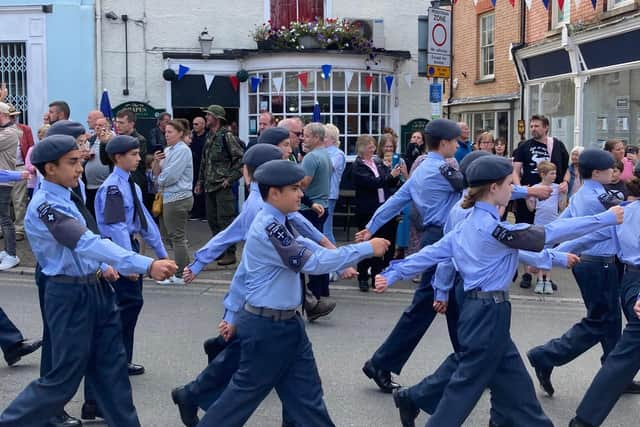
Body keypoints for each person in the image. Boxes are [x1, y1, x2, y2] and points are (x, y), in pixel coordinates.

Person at [376, 154, 620, 427]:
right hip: (488, 312)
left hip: (483, 310)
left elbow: (430, 255)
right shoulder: (496, 230)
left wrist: (392, 272)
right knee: (465, 388)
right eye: (508, 184)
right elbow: (550, 231)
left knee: (516, 386)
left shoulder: (469, 225)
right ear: (494, 188)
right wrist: (605, 219)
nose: (512, 189)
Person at [195, 159, 390, 427]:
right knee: (239, 400)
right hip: (268, 327)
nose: (301, 194)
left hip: (287, 323)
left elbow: (313, 250)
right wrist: (366, 250)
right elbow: (310, 262)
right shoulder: (270, 227)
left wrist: (344, 257)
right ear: (274, 193)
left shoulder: (281, 221)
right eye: (295, 189)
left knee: (307, 397)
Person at [0, 134, 177, 427]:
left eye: (80, 161)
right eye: (72, 162)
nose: (80, 168)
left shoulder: (68, 194)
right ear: (49, 168)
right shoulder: (46, 206)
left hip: (95, 289)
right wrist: (146, 264)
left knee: (113, 371)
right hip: (68, 295)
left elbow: (92, 244)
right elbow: (86, 243)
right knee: (61, 381)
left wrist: (107, 266)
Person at [173, 145, 347, 427]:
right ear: (273, 184)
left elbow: (301, 228)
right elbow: (244, 268)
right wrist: (230, 310)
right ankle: (191, 395)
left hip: (282, 317)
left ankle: (191, 394)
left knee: (300, 394)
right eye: (282, 159)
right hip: (265, 315)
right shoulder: (261, 211)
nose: (300, 192)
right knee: (243, 388)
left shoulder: (281, 209)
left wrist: (331, 250)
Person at [355, 119, 464, 393]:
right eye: (455, 140)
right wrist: (526, 190)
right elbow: (473, 192)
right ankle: (381, 362)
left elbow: (395, 201)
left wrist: (371, 226)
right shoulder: (443, 168)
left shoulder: (422, 169)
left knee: (452, 303)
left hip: (436, 236)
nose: (458, 144)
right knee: (427, 305)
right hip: (442, 237)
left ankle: (471, 362)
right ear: (444, 143)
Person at [527, 148, 640, 397]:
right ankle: (545, 356)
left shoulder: (584, 194)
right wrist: (552, 257)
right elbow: (597, 233)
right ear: (597, 172)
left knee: (610, 322)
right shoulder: (598, 199)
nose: (615, 171)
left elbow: (561, 224)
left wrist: (543, 249)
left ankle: (617, 375)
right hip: (598, 262)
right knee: (600, 321)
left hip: (590, 263)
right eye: (611, 167)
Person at [564, 177, 640, 427]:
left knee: (624, 358)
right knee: (624, 357)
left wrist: (553, 254)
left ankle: (584, 421)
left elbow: (587, 238)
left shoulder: (624, 213)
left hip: (630, 281)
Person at [95, 135, 169, 373]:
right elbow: (116, 229)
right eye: (134, 154)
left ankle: (121, 358)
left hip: (129, 250)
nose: (139, 158)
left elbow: (145, 222)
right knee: (126, 306)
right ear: (118, 157)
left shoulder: (131, 185)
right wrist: (128, 266)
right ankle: (115, 359)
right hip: (118, 253)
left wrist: (162, 254)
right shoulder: (113, 189)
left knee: (129, 307)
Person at [512, 114, 570, 289]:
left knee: (547, 237)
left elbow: (567, 169)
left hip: (551, 195)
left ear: (546, 127)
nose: (533, 129)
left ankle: (545, 274)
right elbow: (515, 170)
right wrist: (522, 190)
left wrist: (565, 182)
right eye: (531, 126)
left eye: (537, 126)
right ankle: (527, 273)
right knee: (526, 233)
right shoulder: (524, 146)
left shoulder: (557, 145)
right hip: (529, 194)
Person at [195, 105, 244, 266]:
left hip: (222, 187)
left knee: (225, 221)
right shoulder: (210, 136)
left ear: (216, 118)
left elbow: (240, 160)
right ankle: (219, 251)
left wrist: (230, 179)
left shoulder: (227, 136)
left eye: (209, 115)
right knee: (213, 221)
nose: (206, 118)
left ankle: (230, 253)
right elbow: (205, 161)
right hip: (209, 186)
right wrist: (200, 182)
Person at [351, 135, 401, 292]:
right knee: (367, 243)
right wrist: (389, 177)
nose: (373, 149)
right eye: (370, 147)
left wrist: (394, 174)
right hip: (367, 209)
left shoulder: (376, 163)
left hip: (381, 208)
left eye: (373, 146)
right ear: (362, 148)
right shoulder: (358, 166)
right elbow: (372, 183)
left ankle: (376, 277)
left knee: (381, 242)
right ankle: (362, 276)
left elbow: (388, 183)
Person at [152, 120, 194, 285]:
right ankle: (183, 266)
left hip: (178, 197)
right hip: (167, 197)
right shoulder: (168, 150)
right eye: (166, 132)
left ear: (180, 134)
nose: (166, 135)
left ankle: (181, 273)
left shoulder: (183, 150)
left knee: (177, 236)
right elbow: (157, 172)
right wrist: (156, 161)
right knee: (167, 234)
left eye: (170, 132)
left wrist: (158, 179)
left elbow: (170, 176)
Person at [300, 122, 332, 299]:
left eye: (306, 135)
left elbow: (304, 184)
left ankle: (316, 290)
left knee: (312, 250)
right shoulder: (325, 155)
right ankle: (323, 288)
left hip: (310, 208)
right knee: (320, 247)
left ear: (317, 138)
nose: (303, 138)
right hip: (323, 205)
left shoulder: (311, 157)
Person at [526, 161, 565, 294]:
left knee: (549, 253)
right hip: (539, 224)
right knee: (540, 253)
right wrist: (527, 196)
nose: (555, 175)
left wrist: (563, 194)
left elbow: (562, 207)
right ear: (543, 174)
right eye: (552, 173)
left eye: (555, 173)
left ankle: (547, 280)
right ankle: (540, 280)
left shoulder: (557, 188)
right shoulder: (536, 188)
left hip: (553, 224)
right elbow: (531, 208)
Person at [7, 103, 34, 242]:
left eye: (14, 117)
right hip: (4, 168)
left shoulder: (24, 129)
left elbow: (30, 148)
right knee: (4, 201)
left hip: (19, 166)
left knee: (19, 200)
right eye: (10, 116)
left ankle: (19, 229)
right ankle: (3, 228)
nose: (12, 119)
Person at [0, 102, 20, 270]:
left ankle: (12, 254)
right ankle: (7, 251)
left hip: (3, 181)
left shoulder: (10, 133)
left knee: (5, 219)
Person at [323, 123, 346, 245]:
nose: (322, 139)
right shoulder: (322, 152)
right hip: (321, 193)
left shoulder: (338, 154)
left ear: (332, 139)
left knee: (326, 229)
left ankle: (334, 255)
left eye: (325, 136)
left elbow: (328, 168)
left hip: (329, 194)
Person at [84, 117, 112, 217]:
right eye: (96, 125)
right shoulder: (91, 140)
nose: (97, 127)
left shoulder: (112, 139)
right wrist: (86, 156)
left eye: (100, 125)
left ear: (108, 126)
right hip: (90, 186)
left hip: (105, 185)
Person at [189, 116, 207, 220]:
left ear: (203, 125)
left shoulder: (207, 137)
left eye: (196, 124)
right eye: (193, 124)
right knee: (193, 188)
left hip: (203, 166)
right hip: (193, 167)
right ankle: (195, 212)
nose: (194, 126)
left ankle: (204, 213)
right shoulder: (192, 137)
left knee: (203, 190)